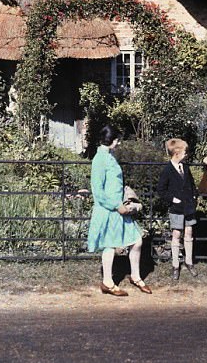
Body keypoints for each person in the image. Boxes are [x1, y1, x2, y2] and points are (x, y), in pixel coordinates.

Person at [86, 125, 151, 296]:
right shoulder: (100, 159)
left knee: (136, 241)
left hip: (118, 208)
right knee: (109, 245)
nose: (119, 143)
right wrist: (116, 206)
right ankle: (107, 282)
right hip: (109, 210)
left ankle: (135, 276)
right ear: (112, 140)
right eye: (118, 140)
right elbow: (98, 191)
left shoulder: (109, 156)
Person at [157, 137, 198, 280]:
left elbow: (192, 185)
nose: (187, 154)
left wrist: (194, 197)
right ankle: (175, 264)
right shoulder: (167, 170)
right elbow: (161, 190)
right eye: (185, 152)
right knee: (176, 234)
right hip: (176, 208)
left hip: (189, 207)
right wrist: (173, 199)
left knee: (189, 232)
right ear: (177, 153)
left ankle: (189, 262)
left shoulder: (185, 168)